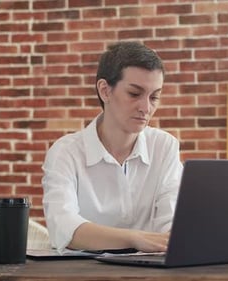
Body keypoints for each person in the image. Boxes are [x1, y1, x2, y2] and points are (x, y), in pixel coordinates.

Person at [42, 41, 183, 253]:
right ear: (105, 91)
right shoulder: (65, 153)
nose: (146, 108)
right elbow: (65, 230)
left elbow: (173, 226)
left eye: (154, 97)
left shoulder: (164, 146)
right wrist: (135, 239)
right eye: (134, 94)